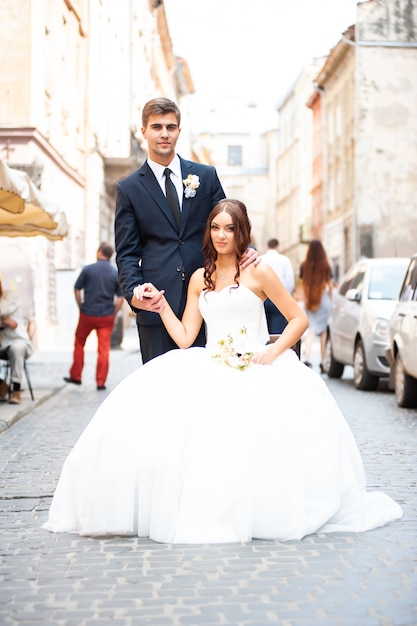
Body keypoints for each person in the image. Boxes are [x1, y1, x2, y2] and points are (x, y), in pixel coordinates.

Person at [44, 199, 402, 543]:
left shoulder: (258, 270)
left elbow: (299, 319)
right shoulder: (201, 277)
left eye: (229, 228)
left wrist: (273, 352)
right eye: (215, 227)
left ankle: (259, 511)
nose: (221, 235)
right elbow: (186, 338)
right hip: (211, 363)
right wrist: (162, 305)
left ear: (241, 231)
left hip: (256, 365)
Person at [114, 97, 257, 364]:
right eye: (157, 127)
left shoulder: (206, 176)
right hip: (157, 308)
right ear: (144, 132)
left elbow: (229, 222)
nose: (164, 134)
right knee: (160, 390)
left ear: (179, 130)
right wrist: (135, 292)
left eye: (171, 127)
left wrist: (248, 251)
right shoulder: (129, 189)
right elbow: (126, 253)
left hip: (210, 303)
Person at [64, 242, 123, 391]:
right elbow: (121, 297)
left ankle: (76, 376)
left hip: (87, 314)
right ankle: (100, 382)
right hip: (106, 315)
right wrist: (114, 313)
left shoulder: (87, 270)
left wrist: (80, 306)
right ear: (110, 255)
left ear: (98, 252)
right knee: (103, 349)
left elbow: (77, 289)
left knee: (79, 343)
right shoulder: (115, 272)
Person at [300, 239, 333, 372]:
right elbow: (329, 285)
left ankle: (307, 358)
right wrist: (330, 300)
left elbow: (304, 284)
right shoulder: (326, 265)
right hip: (323, 299)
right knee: (323, 331)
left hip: (310, 299)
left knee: (311, 329)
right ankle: (323, 361)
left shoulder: (304, 265)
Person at [0, 276, 33, 405]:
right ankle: (2, 384)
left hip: (17, 340)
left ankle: (16, 389)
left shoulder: (10, 297)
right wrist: (5, 321)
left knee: (16, 348)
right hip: (2, 343)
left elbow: (3, 310)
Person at [261, 237, 295, 335]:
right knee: (278, 331)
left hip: (263, 296)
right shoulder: (284, 260)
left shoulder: (261, 259)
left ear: (267, 247)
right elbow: (289, 281)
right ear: (278, 247)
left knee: (264, 330)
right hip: (279, 297)